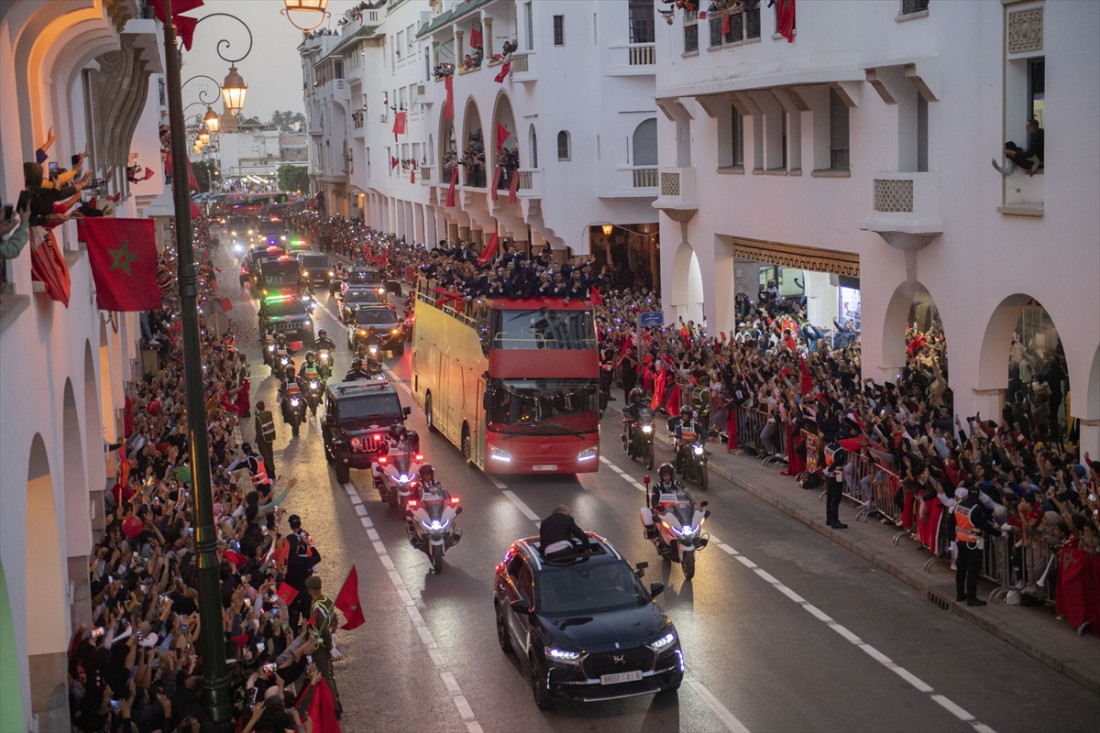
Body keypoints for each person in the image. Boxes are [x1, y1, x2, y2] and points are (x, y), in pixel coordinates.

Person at [953, 484, 1003, 606]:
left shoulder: (958, 506)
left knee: (961, 569)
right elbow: (984, 525)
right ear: (978, 497)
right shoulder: (976, 509)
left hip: (960, 541)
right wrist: (998, 533)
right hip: (973, 543)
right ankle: (971, 598)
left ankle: (959, 593)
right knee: (972, 571)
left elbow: (953, 521)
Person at [303, 576, 342, 720]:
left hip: (321, 646)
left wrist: (329, 644)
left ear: (312, 590)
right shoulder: (327, 600)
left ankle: (334, 708)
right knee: (329, 675)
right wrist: (333, 636)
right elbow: (335, 620)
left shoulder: (316, 606)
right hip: (327, 642)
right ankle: (336, 702)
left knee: (325, 676)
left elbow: (323, 629)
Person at [822, 443, 848, 529]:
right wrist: (830, 469)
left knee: (829, 496)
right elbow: (838, 462)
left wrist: (826, 469)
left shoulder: (828, 446)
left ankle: (829, 518)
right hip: (838, 473)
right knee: (836, 497)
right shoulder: (839, 451)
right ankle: (835, 520)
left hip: (828, 474)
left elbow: (822, 458)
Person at [253, 401, 277, 482]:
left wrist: (256, 441)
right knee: (270, 454)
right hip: (269, 437)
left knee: (265, 455)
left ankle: (269, 472)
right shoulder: (269, 413)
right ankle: (273, 469)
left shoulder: (258, 417)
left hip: (262, 440)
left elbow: (259, 431)